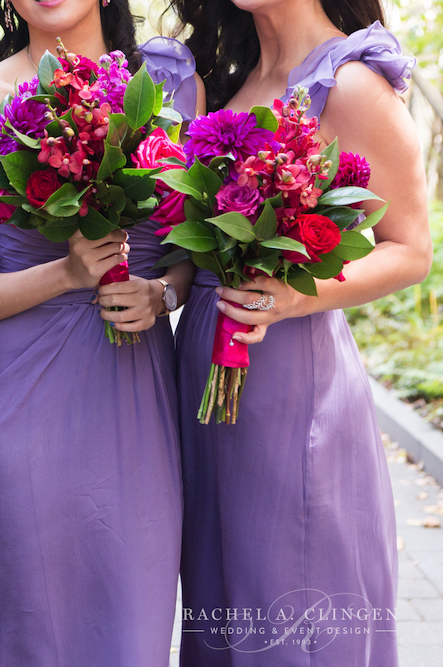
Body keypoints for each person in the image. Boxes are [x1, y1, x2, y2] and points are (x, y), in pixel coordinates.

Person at [0, 0, 204, 664]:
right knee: (37, 624)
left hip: (137, 394)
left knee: (134, 623)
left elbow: (191, 249)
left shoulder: (172, 85)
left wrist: (164, 292)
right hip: (23, 404)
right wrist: (65, 273)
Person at [167, 0, 430, 664]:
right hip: (209, 383)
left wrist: (289, 295)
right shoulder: (233, 78)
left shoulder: (349, 82)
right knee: (225, 599)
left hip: (290, 385)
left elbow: (410, 248)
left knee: (292, 602)